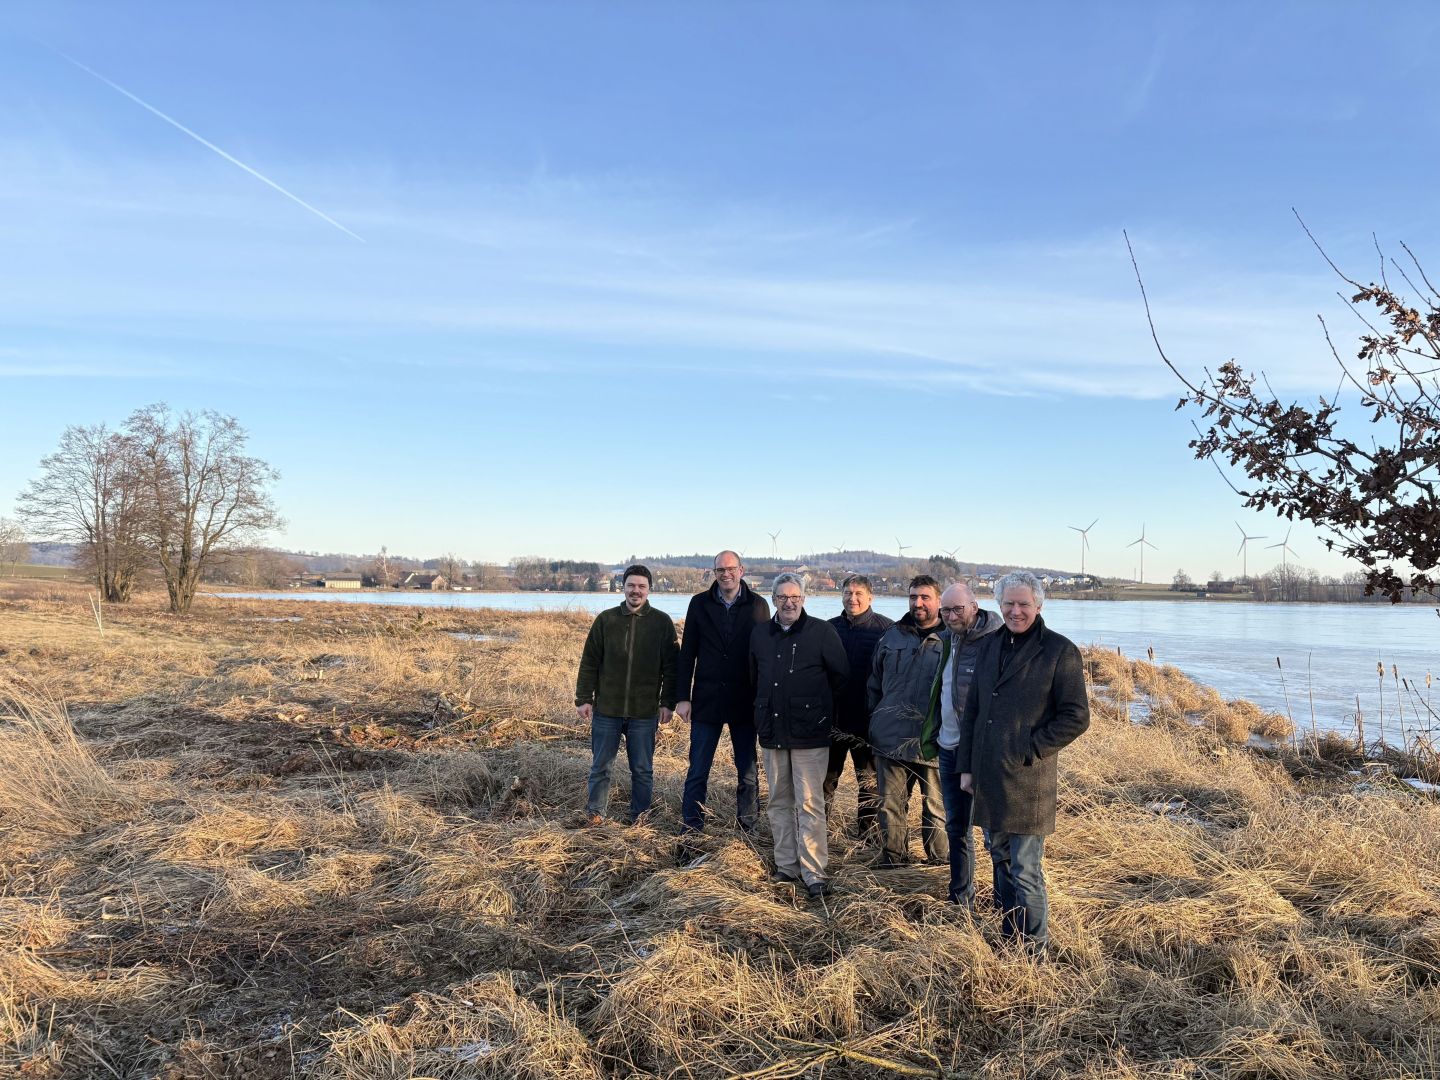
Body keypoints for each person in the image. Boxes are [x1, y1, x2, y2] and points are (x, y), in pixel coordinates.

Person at [959, 571, 1090, 955]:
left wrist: (1029, 749)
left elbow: (1076, 716)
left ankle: (1034, 948)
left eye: (1023, 604)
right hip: (988, 773)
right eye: (1009, 604)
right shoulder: (988, 646)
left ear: (1039, 605)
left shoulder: (1059, 651)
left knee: (1026, 870)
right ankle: (1009, 934)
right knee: (998, 859)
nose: (1016, 611)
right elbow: (973, 711)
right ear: (998, 605)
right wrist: (967, 767)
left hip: (1029, 779)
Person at [750, 573, 848, 900]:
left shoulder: (822, 633)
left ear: (804, 599)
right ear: (773, 598)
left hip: (810, 735)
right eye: (782, 597)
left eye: (795, 597)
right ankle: (786, 866)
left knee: (809, 803)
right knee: (778, 801)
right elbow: (755, 678)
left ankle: (814, 873)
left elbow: (840, 679)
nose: (789, 603)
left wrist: (820, 715)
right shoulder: (760, 634)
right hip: (773, 732)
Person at [574, 564, 679, 825]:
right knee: (600, 767)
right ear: (623, 587)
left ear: (649, 589)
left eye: (641, 586)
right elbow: (589, 661)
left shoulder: (662, 623)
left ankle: (639, 816)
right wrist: (584, 698)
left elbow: (672, 668)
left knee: (642, 770)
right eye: (631, 585)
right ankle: (595, 814)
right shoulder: (606, 620)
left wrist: (667, 703)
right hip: (607, 710)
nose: (636, 591)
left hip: (644, 712)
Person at [675, 550, 771, 835]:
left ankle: (748, 827)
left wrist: (763, 700)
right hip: (707, 699)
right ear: (713, 573)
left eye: (731, 569)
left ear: (741, 570)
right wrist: (682, 697)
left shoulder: (758, 605)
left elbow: (764, 655)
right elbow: (687, 652)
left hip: (745, 701)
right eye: (720, 570)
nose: (725, 574)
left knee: (748, 771)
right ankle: (691, 826)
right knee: (697, 770)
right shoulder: (699, 603)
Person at [866, 575, 950, 868]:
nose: (918, 603)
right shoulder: (891, 636)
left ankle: (939, 864)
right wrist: (877, 720)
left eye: (925, 597)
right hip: (890, 738)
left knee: (936, 808)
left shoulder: (952, 638)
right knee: (890, 805)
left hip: (934, 741)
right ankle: (893, 861)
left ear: (939, 600)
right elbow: (874, 684)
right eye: (913, 597)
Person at [931, 582, 1003, 906]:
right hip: (948, 748)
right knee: (955, 826)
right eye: (944, 610)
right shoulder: (948, 640)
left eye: (957, 609)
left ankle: (1006, 906)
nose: (950, 616)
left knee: (993, 833)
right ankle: (961, 899)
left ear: (974, 606)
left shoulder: (995, 643)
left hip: (981, 753)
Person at [823, 574, 893, 836]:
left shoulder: (886, 629)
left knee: (869, 783)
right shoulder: (828, 628)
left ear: (870, 597)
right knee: (826, 780)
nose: (852, 598)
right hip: (834, 719)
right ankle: (819, 832)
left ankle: (867, 837)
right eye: (848, 593)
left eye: (858, 593)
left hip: (868, 721)